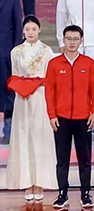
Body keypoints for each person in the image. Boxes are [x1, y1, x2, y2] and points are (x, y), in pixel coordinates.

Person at [45, 25, 94, 209]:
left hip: (84, 118)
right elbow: (49, 90)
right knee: (62, 159)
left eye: (75, 39)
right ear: (63, 40)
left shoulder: (88, 63)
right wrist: (52, 114)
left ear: (81, 41)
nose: (72, 42)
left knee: (85, 159)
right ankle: (62, 194)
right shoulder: (54, 64)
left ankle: (86, 194)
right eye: (69, 38)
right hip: (61, 119)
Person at [6, 15, 57, 200]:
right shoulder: (16, 51)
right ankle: (27, 183)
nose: (30, 32)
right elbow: (15, 76)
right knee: (24, 138)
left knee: (40, 138)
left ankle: (40, 182)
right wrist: (22, 88)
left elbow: (50, 78)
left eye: (33, 29)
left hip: (40, 97)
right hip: (22, 100)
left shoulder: (47, 51)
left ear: (39, 30)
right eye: (27, 29)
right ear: (23, 31)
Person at [0, 0, 23, 139]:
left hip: (7, 48)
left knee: (8, 83)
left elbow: (17, 24)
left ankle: (9, 119)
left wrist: (16, 49)